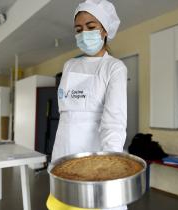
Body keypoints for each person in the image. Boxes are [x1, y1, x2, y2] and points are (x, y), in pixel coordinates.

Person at [47, 0, 127, 210]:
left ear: (105, 30)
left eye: (91, 27)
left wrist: (111, 166)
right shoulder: (69, 65)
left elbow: (114, 122)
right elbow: (67, 118)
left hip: (95, 164)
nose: (84, 33)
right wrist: (55, 162)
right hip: (62, 159)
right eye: (79, 29)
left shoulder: (114, 68)